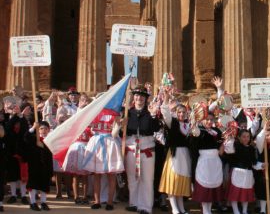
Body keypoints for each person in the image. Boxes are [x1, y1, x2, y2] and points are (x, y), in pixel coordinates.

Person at [82, 99, 124, 210]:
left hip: (110, 142)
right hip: (97, 143)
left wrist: (118, 125)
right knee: (97, 174)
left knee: (111, 174)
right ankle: (97, 201)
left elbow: (114, 134)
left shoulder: (115, 114)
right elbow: (88, 127)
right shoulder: (95, 112)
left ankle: (110, 202)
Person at [124, 86, 160, 214]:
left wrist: (154, 115)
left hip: (147, 148)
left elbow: (156, 128)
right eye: (137, 95)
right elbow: (124, 132)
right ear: (134, 97)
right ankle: (133, 203)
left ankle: (145, 206)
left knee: (147, 178)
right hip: (132, 148)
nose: (139, 98)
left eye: (142, 96)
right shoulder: (128, 112)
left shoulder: (150, 112)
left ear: (145, 98)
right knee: (132, 177)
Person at [158, 94, 191, 214]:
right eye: (179, 112)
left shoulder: (189, 125)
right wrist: (166, 99)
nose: (181, 114)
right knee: (174, 179)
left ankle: (181, 207)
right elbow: (165, 113)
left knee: (182, 180)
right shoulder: (172, 123)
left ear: (187, 113)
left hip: (185, 155)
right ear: (176, 113)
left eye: (183, 112)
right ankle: (174, 208)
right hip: (174, 154)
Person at [189, 105, 224, 214]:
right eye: (206, 119)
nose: (209, 121)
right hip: (204, 161)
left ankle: (209, 209)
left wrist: (223, 145)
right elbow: (195, 132)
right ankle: (205, 210)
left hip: (215, 161)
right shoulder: (200, 130)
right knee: (205, 186)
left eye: (211, 119)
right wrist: (194, 120)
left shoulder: (217, 131)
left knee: (212, 185)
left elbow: (221, 148)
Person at [23, 121, 54, 211]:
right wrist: (33, 127)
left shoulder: (50, 139)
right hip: (34, 165)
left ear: (48, 130)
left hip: (46, 165)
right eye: (41, 128)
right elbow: (25, 137)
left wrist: (43, 145)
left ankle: (43, 202)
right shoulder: (34, 138)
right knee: (33, 185)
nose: (43, 130)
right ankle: (33, 202)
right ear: (38, 130)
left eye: (45, 128)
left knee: (44, 185)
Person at [225, 128, 256, 214]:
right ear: (239, 137)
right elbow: (228, 149)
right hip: (237, 172)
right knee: (235, 193)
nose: (246, 139)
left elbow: (254, 162)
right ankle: (236, 211)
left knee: (245, 193)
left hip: (248, 173)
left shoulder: (251, 148)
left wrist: (262, 165)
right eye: (243, 137)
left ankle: (245, 211)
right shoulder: (236, 146)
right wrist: (231, 137)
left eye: (248, 137)